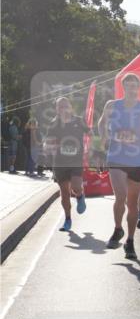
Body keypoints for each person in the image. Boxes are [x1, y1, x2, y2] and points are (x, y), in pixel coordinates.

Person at [97, 73, 140, 259]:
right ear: (123, 87)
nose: (131, 89)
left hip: (136, 159)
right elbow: (102, 123)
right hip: (116, 157)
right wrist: (104, 137)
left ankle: (130, 240)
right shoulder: (112, 105)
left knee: (133, 203)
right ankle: (117, 229)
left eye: (134, 85)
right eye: (128, 85)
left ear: (138, 88)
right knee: (120, 196)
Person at [43, 99, 90, 232]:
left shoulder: (79, 120)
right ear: (57, 109)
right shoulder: (53, 124)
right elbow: (48, 141)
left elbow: (90, 133)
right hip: (59, 162)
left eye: (66, 106)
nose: (63, 108)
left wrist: (89, 148)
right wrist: (47, 147)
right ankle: (67, 219)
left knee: (75, 186)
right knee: (64, 192)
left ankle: (80, 195)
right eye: (60, 106)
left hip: (76, 161)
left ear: (71, 107)